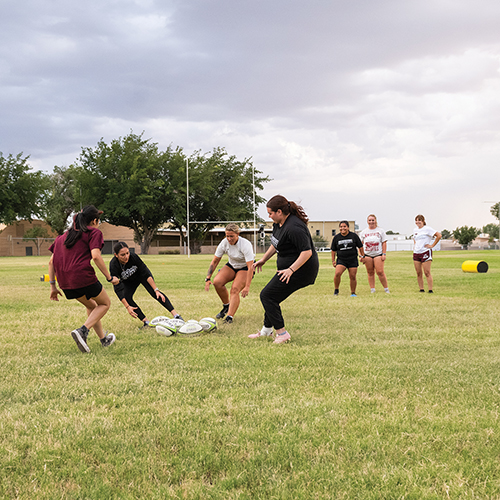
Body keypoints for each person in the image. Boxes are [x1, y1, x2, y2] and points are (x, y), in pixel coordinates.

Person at [249, 195, 319, 344]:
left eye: (270, 213)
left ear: (279, 211)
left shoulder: (294, 227)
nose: (269, 216)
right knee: (272, 296)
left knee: (267, 296)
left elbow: (307, 252)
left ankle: (282, 333)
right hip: (288, 269)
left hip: (302, 270)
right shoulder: (278, 224)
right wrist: (264, 259)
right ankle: (266, 331)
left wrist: (291, 270)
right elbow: (276, 244)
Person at [48, 205, 118, 353]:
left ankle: (103, 340)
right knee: (105, 303)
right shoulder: (94, 232)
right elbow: (96, 256)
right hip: (82, 276)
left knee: (92, 306)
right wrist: (109, 277)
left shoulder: (61, 237)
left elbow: (51, 262)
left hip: (65, 283)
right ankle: (83, 331)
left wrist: (53, 287)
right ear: (94, 221)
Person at [109, 242, 184, 328]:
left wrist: (156, 289)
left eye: (127, 253)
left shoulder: (133, 257)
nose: (126, 256)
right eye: (122, 255)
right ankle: (146, 322)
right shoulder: (113, 265)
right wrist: (127, 307)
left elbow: (146, 273)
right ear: (116, 255)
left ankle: (176, 316)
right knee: (127, 297)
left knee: (155, 293)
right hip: (128, 282)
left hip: (141, 277)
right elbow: (117, 288)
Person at [204, 223, 255, 324]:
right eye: (227, 236)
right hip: (232, 266)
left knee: (235, 289)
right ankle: (226, 306)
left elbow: (250, 267)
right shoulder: (224, 243)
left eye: (232, 236)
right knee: (217, 282)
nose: (229, 238)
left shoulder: (245, 244)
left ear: (238, 234)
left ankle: (229, 317)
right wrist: (208, 278)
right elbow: (215, 261)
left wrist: (247, 286)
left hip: (245, 268)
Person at [331, 220, 365, 297]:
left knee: (352, 276)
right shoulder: (336, 237)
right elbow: (333, 250)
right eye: (341, 227)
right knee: (337, 274)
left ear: (348, 227)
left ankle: (353, 292)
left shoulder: (354, 236)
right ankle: (336, 290)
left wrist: (363, 256)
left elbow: (360, 246)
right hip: (341, 260)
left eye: (344, 226)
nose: (343, 228)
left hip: (352, 259)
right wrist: (333, 260)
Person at [359, 214, 390, 294]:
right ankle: (372, 289)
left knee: (380, 272)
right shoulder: (364, 232)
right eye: (370, 220)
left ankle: (386, 288)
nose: (371, 222)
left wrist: (384, 254)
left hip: (378, 254)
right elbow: (360, 245)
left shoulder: (380, 231)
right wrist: (361, 255)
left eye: (373, 220)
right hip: (367, 254)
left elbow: (384, 242)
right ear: (367, 221)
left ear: (375, 221)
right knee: (370, 272)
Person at [413, 214, 442, 293]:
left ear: (423, 221)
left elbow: (439, 235)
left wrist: (432, 245)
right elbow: (415, 239)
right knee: (418, 272)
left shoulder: (427, 229)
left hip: (425, 252)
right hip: (416, 253)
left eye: (419, 220)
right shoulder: (415, 230)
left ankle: (430, 289)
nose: (417, 222)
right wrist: (415, 246)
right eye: (416, 220)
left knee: (427, 272)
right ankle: (421, 289)